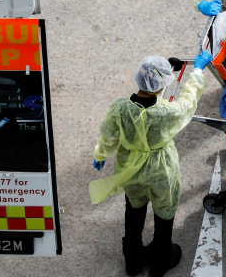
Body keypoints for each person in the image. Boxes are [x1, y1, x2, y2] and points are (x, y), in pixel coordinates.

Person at [88, 51, 213, 277]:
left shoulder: (120, 107)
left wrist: (101, 154)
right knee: (164, 210)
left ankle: (133, 260)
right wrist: (197, 71)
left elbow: (109, 134)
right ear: (162, 83)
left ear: (139, 77)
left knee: (134, 208)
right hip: (162, 168)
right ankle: (161, 259)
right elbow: (188, 101)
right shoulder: (168, 111)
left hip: (130, 165)